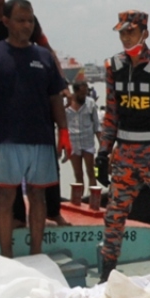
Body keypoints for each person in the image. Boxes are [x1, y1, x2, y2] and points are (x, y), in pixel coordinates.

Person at [0, 0, 70, 258]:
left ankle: (36, 253)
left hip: (41, 138)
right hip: (5, 139)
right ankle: (6, 256)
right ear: (6, 21)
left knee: (38, 197)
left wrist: (64, 132)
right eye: (21, 20)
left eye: (30, 20)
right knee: (5, 199)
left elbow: (55, 98)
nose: (27, 25)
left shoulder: (44, 56)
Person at [96, 10, 150, 281]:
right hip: (124, 155)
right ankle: (106, 275)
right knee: (113, 215)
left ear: (144, 33)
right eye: (122, 32)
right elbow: (111, 114)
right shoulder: (113, 66)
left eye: (130, 32)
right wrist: (102, 153)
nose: (125, 37)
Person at [64, 72, 99, 208]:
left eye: (86, 93)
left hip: (88, 142)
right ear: (75, 92)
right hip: (73, 144)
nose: (84, 96)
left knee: (91, 172)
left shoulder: (90, 104)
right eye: (82, 94)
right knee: (78, 174)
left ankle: (94, 201)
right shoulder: (66, 106)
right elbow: (61, 125)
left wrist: (103, 146)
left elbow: (97, 125)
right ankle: (78, 203)